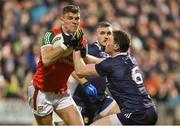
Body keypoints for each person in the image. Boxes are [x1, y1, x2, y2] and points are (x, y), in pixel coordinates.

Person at [73, 30, 158, 125]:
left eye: (109, 40)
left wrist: (76, 48)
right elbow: (97, 61)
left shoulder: (111, 65)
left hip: (135, 114)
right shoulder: (128, 58)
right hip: (150, 110)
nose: (106, 42)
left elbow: (79, 70)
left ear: (116, 46)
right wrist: (83, 53)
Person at [27, 5, 94, 125]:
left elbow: (78, 66)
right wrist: (65, 45)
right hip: (41, 91)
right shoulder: (50, 35)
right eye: (70, 18)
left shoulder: (81, 40)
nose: (74, 21)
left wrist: (87, 81)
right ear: (62, 19)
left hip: (61, 92)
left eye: (77, 18)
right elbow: (46, 60)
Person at [69, 21, 120, 125]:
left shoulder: (111, 54)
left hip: (101, 100)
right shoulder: (90, 49)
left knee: (122, 116)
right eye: (102, 33)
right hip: (83, 100)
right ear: (96, 35)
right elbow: (71, 68)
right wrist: (85, 83)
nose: (106, 36)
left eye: (108, 33)